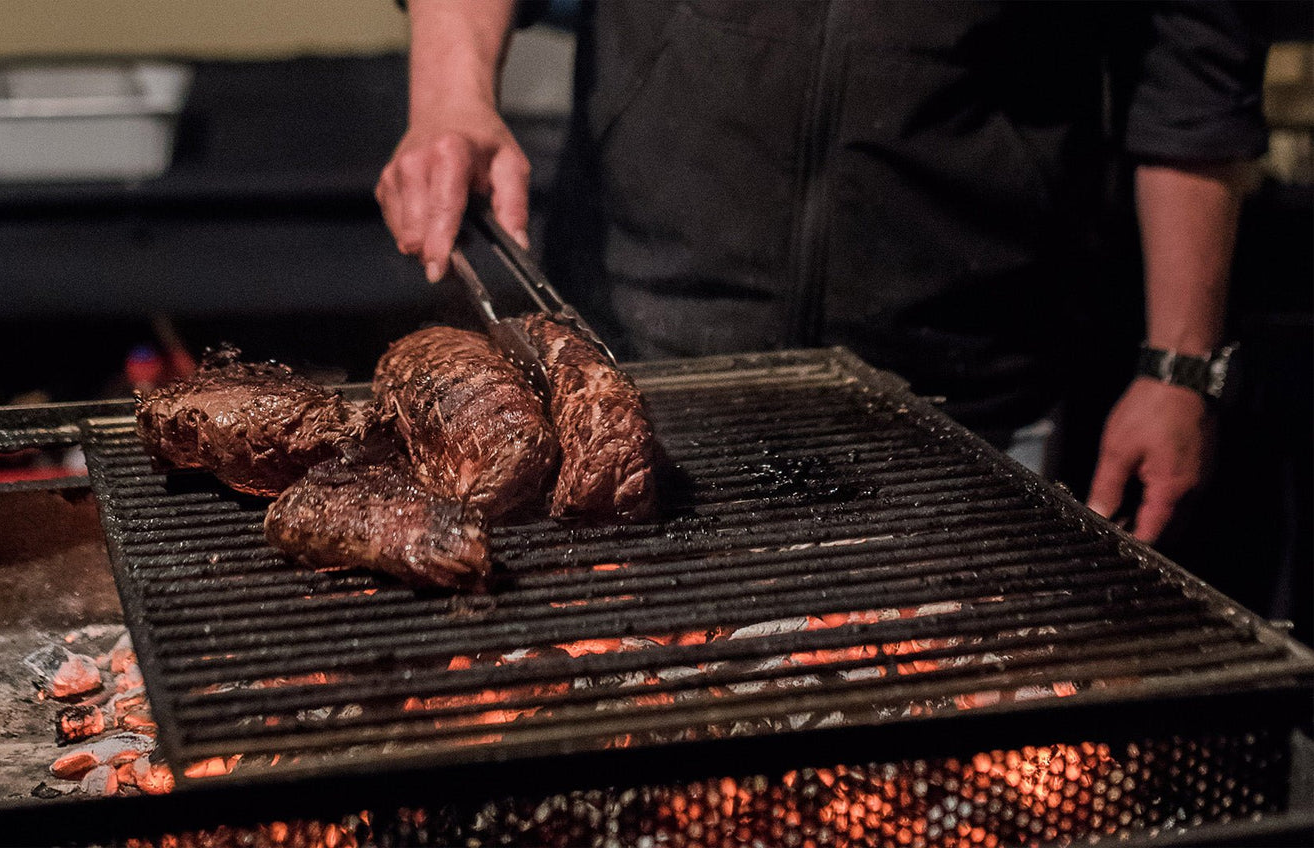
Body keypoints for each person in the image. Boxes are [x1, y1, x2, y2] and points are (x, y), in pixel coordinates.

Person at [375, 0, 1270, 543]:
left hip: (973, 383)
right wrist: (451, 97)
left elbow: (1194, 65)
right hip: (640, 357)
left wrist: (1179, 366)